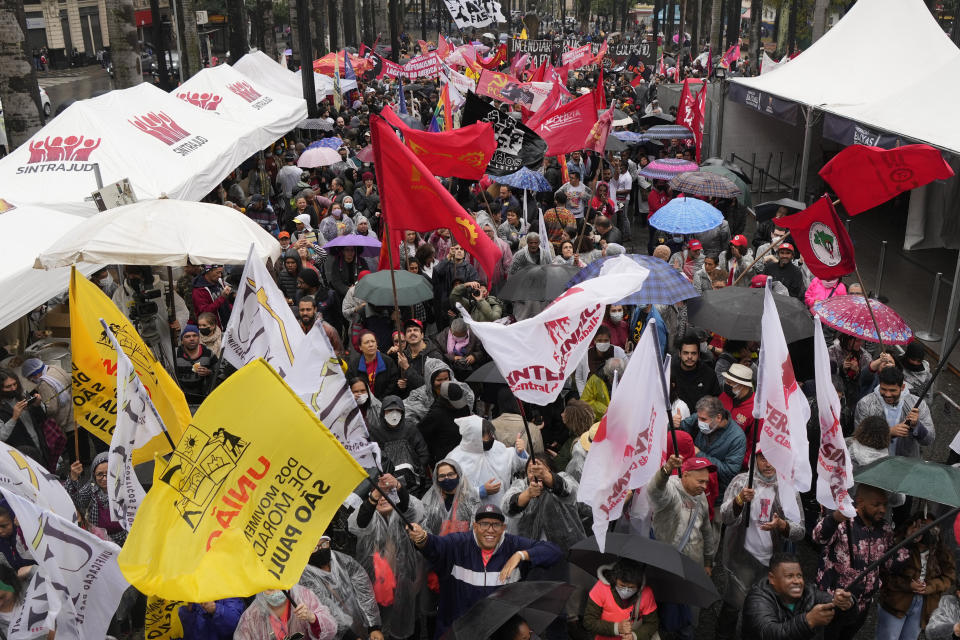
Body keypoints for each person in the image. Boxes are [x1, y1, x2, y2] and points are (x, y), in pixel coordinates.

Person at [406, 503, 563, 639]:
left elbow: (554, 551)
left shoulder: (514, 544)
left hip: (500, 630)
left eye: (496, 524)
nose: (490, 530)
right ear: (474, 526)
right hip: (458, 630)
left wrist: (521, 555)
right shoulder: (457, 544)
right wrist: (422, 538)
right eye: (484, 524)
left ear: (504, 528)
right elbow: (435, 546)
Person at [716, 450, 806, 639]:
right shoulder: (741, 481)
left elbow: (800, 531)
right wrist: (739, 500)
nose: (768, 463)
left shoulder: (787, 488)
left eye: (773, 458)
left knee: (761, 610)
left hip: (771, 561)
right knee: (733, 605)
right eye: (763, 458)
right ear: (754, 459)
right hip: (741, 558)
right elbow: (725, 517)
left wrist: (782, 525)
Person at [812, 484, 907, 640]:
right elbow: (818, 537)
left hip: (861, 607)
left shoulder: (884, 529)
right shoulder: (843, 522)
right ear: (860, 502)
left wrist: (910, 539)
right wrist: (835, 518)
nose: (883, 509)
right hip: (833, 604)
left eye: (884, 504)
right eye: (876, 504)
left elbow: (890, 565)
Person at [646, 455, 717, 639]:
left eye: (706, 482)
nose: (704, 486)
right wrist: (666, 469)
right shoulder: (671, 489)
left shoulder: (700, 497)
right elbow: (655, 490)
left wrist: (708, 561)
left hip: (693, 566)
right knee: (665, 610)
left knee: (689, 615)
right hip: (667, 567)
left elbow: (706, 530)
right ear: (685, 476)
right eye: (700, 481)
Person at [348, 474, 425, 640]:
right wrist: (373, 497)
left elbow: (409, 508)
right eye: (378, 495)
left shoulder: (405, 517)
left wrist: (397, 485)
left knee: (407, 625)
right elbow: (359, 522)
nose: (383, 498)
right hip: (376, 592)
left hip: (406, 587)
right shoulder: (368, 518)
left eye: (388, 493)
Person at [877, 512, 956, 640]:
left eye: (933, 528)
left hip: (924, 605)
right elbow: (885, 574)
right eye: (922, 526)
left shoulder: (940, 551)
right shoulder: (899, 544)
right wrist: (908, 541)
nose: (928, 531)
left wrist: (930, 586)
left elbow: (949, 577)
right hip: (896, 603)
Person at [742, 552, 853, 640]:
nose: (797, 581)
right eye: (789, 576)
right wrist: (808, 621)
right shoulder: (757, 600)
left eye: (799, 575)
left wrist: (846, 604)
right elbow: (769, 633)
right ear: (772, 578)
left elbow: (844, 614)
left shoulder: (810, 592)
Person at [300, 535, 383, 640]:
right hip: (336, 634)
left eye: (324, 544)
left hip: (360, 622)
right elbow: (325, 608)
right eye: (314, 548)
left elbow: (365, 591)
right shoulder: (306, 577)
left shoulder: (342, 560)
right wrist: (349, 636)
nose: (321, 549)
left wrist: (374, 626)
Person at [677, 396, 747, 504]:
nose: (699, 422)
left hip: (716, 497)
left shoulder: (737, 438)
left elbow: (730, 471)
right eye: (699, 418)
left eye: (704, 420)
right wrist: (674, 425)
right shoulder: (700, 417)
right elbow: (678, 431)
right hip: (691, 489)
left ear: (718, 417)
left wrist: (700, 455)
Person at [502, 457, 584, 548]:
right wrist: (528, 494)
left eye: (541, 470)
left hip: (565, 548)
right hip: (531, 551)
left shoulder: (563, 477)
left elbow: (571, 491)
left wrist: (548, 479)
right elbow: (507, 506)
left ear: (550, 470)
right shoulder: (521, 486)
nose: (536, 474)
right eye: (531, 471)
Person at [404, 359, 475, 465]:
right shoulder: (419, 397)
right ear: (430, 380)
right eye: (439, 380)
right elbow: (414, 424)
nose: (443, 383)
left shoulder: (460, 391)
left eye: (446, 378)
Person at [854, 366, 934, 459]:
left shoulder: (917, 404)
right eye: (883, 389)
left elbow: (929, 440)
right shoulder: (865, 404)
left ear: (902, 387)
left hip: (905, 465)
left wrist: (917, 426)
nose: (887, 394)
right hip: (875, 464)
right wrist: (888, 433)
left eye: (892, 390)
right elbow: (859, 438)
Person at [447, 416, 527, 507]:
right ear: (474, 437)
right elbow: (449, 491)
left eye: (491, 434)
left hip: (501, 508)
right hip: (472, 514)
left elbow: (514, 462)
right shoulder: (455, 459)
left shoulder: (496, 447)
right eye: (487, 435)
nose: (491, 437)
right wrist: (478, 492)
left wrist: (520, 453)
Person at [582, 558, 659, 640]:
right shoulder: (601, 588)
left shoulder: (646, 593)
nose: (626, 591)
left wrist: (634, 636)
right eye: (622, 586)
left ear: (639, 585)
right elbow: (589, 621)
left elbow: (652, 624)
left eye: (631, 587)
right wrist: (616, 628)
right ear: (614, 580)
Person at [367, 395, 429, 494]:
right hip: (387, 483)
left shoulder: (410, 429)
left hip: (413, 481)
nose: (394, 414)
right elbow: (373, 459)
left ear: (402, 412)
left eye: (397, 410)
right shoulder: (375, 432)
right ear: (383, 413)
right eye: (389, 411)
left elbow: (423, 453)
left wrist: (416, 471)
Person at [233, 586, 337, 640]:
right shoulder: (252, 616)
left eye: (277, 584)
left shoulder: (303, 597)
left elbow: (329, 631)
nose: (274, 591)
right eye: (269, 588)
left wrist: (312, 618)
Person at [66, 452, 127, 545]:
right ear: (94, 475)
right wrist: (73, 478)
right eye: (100, 474)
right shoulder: (91, 487)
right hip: (100, 541)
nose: (105, 479)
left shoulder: (125, 487)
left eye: (109, 473)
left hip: (126, 538)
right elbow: (76, 502)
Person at [19, 358, 74, 458]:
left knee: (73, 450)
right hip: (74, 411)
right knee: (82, 447)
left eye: (30, 378)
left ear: (35, 375)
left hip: (66, 421)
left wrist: (37, 407)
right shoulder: (54, 368)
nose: (31, 381)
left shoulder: (44, 384)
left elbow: (52, 408)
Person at [0, 369, 51, 469]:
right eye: (8, 386)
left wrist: (38, 405)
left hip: (39, 446)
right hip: (20, 456)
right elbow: (1, 437)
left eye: (15, 384)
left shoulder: (22, 395)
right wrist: (14, 418)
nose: (13, 388)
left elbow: (41, 418)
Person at [421, 459, 480, 536]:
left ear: (458, 475)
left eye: (451, 474)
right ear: (437, 479)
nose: (446, 478)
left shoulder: (470, 498)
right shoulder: (430, 500)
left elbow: (477, 527)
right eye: (442, 476)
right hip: (439, 545)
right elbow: (423, 526)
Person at [719, 363, 758, 467]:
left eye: (730, 383)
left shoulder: (756, 410)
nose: (726, 384)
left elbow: (754, 443)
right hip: (717, 454)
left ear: (743, 385)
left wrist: (741, 463)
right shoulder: (724, 396)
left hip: (736, 463)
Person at [672, 333, 721, 411]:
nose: (689, 357)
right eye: (686, 353)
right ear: (679, 354)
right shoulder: (670, 372)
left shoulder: (709, 374)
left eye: (693, 353)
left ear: (698, 354)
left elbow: (716, 401)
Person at [347, 331, 400, 400]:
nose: (371, 345)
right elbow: (348, 384)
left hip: (383, 403)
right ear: (360, 347)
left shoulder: (388, 362)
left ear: (377, 344)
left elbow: (393, 383)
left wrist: (380, 401)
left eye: (373, 341)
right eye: (367, 342)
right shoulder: (354, 365)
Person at [174, 324, 219, 405]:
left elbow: (219, 371)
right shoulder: (174, 354)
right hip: (180, 399)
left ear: (199, 338)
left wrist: (209, 372)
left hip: (202, 399)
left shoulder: (208, 353)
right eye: (187, 336)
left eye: (195, 335)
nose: (192, 339)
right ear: (182, 341)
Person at [177, 599, 245, 640]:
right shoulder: (189, 596)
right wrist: (189, 610)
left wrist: (216, 609)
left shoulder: (229, 594)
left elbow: (236, 625)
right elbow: (183, 632)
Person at [191, 265, 233, 329]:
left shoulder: (219, 282)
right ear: (208, 271)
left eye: (221, 273)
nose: (220, 275)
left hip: (227, 325)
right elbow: (204, 312)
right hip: (213, 330)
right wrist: (222, 298)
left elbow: (226, 303)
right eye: (217, 272)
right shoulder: (199, 290)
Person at [0, 505, 34, 576]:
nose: (0, 530)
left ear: (13, 521)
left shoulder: (24, 536)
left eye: (4, 526)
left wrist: (32, 569)